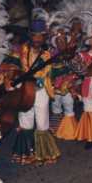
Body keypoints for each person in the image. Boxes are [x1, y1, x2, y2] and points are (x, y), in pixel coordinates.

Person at [11, 20, 60, 165]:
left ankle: (43, 154)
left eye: (40, 36)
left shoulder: (47, 55)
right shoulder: (20, 51)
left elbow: (56, 70)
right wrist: (9, 78)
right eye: (35, 36)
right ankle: (26, 154)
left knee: (42, 121)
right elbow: (8, 66)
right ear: (30, 36)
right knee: (25, 120)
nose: (37, 39)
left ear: (44, 37)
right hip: (25, 90)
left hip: (41, 91)